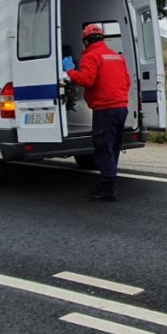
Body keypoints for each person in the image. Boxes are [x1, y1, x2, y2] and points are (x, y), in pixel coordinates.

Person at [63, 24, 131, 202]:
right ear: (102, 39)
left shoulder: (90, 56)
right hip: (121, 107)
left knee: (103, 148)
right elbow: (127, 81)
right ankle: (108, 182)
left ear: (85, 41)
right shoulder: (116, 57)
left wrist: (69, 71)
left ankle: (107, 187)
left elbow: (87, 80)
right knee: (113, 147)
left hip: (105, 109)